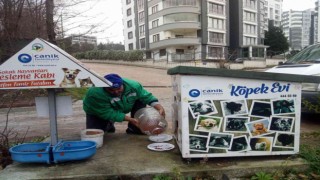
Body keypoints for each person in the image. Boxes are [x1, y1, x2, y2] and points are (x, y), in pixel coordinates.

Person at [83, 73, 166, 135]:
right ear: (104, 87)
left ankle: (134, 129)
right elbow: (106, 112)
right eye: (111, 90)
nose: (116, 92)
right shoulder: (95, 93)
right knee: (96, 134)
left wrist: (159, 107)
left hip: (121, 105)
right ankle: (108, 124)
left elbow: (146, 96)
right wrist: (129, 119)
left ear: (122, 83)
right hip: (97, 111)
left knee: (140, 99)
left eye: (119, 88)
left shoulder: (133, 85)